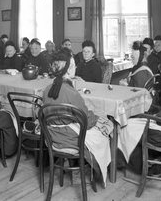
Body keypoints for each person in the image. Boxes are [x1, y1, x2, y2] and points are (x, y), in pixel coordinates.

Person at [42, 48, 111, 183]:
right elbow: (86, 121)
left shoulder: (46, 90)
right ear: (69, 70)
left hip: (52, 137)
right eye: (74, 66)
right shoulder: (72, 93)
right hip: (70, 139)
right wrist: (96, 116)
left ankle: (78, 166)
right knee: (105, 131)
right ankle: (91, 169)